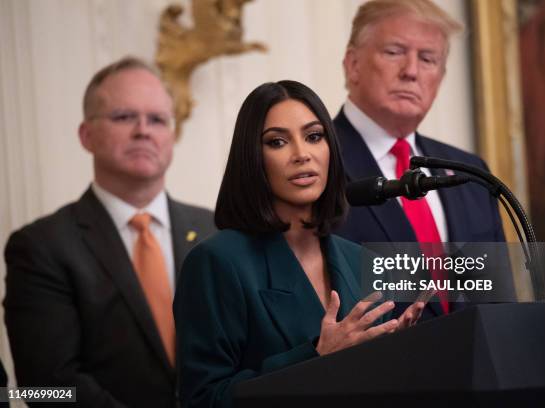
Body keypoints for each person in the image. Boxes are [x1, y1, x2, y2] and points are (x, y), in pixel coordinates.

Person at [174, 80, 425, 407]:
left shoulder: (358, 258)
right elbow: (203, 400)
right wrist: (317, 356)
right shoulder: (216, 262)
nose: (302, 154)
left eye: (314, 136)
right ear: (253, 158)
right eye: (277, 142)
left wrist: (395, 353)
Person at [4, 56, 215, 407]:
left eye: (158, 119)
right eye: (124, 117)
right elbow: (46, 388)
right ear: (86, 135)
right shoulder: (41, 247)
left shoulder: (215, 230)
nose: (143, 130)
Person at [334, 0, 514, 317]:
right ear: (353, 64)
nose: (411, 71)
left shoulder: (472, 174)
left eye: (427, 59)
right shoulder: (314, 166)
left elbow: (499, 305)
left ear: (440, 79)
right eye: (394, 52)